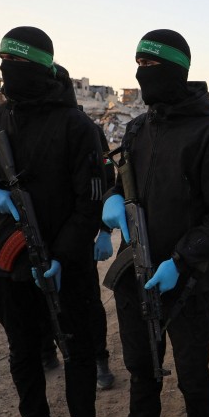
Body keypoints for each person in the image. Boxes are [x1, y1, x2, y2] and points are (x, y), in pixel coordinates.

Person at [103, 30, 209, 417]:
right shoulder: (138, 130)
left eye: (151, 66)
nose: (143, 74)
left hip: (188, 284)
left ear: (176, 71)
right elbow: (121, 185)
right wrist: (108, 205)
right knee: (142, 371)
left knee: (192, 374)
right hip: (136, 280)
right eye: (138, 65)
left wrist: (182, 260)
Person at [0, 26, 104, 417]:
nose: (9, 71)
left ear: (44, 67)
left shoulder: (78, 127)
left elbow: (91, 203)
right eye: (4, 61)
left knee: (77, 352)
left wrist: (62, 255)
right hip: (7, 260)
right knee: (22, 351)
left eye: (19, 63)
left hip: (66, 264)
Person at [42, 122, 117, 391]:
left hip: (78, 233)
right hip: (40, 234)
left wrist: (106, 230)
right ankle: (47, 350)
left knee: (87, 302)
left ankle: (100, 359)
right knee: (41, 297)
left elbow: (109, 180)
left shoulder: (87, 129)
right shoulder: (19, 122)